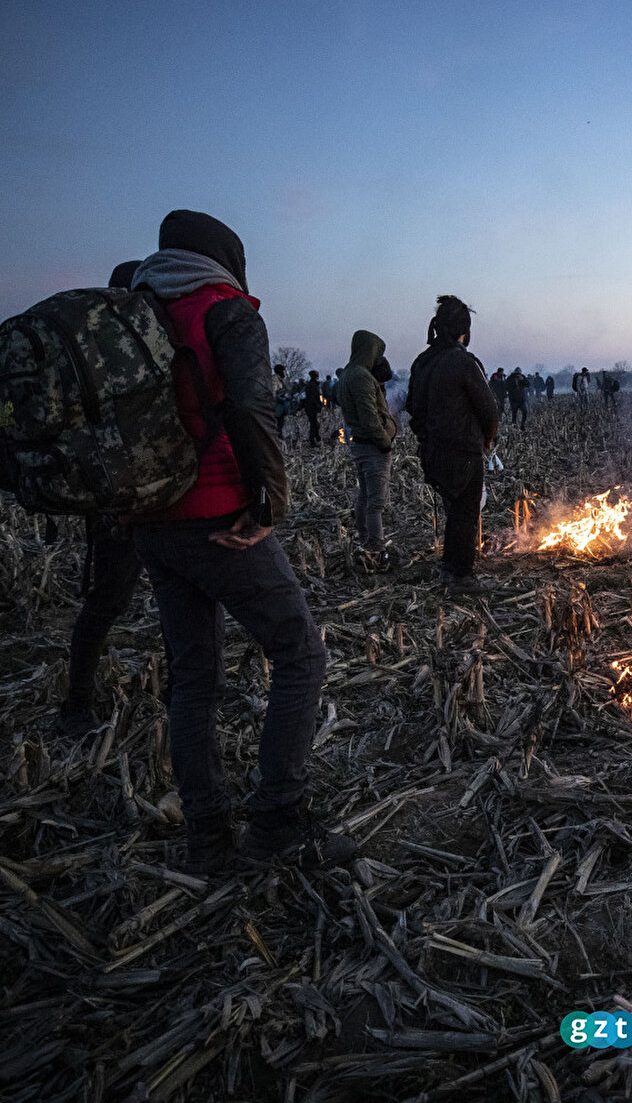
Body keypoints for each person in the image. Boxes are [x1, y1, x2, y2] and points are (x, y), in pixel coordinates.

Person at [127, 209, 354, 873]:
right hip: (218, 513)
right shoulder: (223, 309)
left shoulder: (134, 316)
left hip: (150, 521)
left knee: (194, 676)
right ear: (227, 258)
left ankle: (207, 839)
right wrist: (269, 502)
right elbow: (252, 404)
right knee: (300, 653)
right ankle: (278, 822)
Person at [60, 260, 155, 737]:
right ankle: (77, 702)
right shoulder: (137, 339)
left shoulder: (83, 339)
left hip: (108, 494)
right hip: (146, 493)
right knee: (172, 596)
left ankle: (77, 703)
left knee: (105, 601)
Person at [406, 296, 499, 596]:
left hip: (433, 452)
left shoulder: (422, 362)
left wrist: (426, 438)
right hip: (462, 452)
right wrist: (488, 438)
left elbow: (413, 408)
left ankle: (449, 565)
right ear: (464, 331)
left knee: (455, 511)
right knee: (465, 514)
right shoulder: (463, 361)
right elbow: (489, 408)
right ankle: (461, 576)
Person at [339, 331, 397, 557]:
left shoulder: (349, 374)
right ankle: (376, 548)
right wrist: (384, 442)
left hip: (361, 444)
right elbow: (369, 416)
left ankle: (365, 540)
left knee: (365, 495)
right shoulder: (361, 377)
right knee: (376, 502)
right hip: (372, 446)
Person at [301, 369, 323, 448]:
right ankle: (312, 441)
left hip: (309, 407)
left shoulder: (309, 385)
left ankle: (317, 438)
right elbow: (314, 398)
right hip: (312, 407)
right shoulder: (313, 386)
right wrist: (319, 406)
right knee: (314, 424)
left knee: (314, 423)